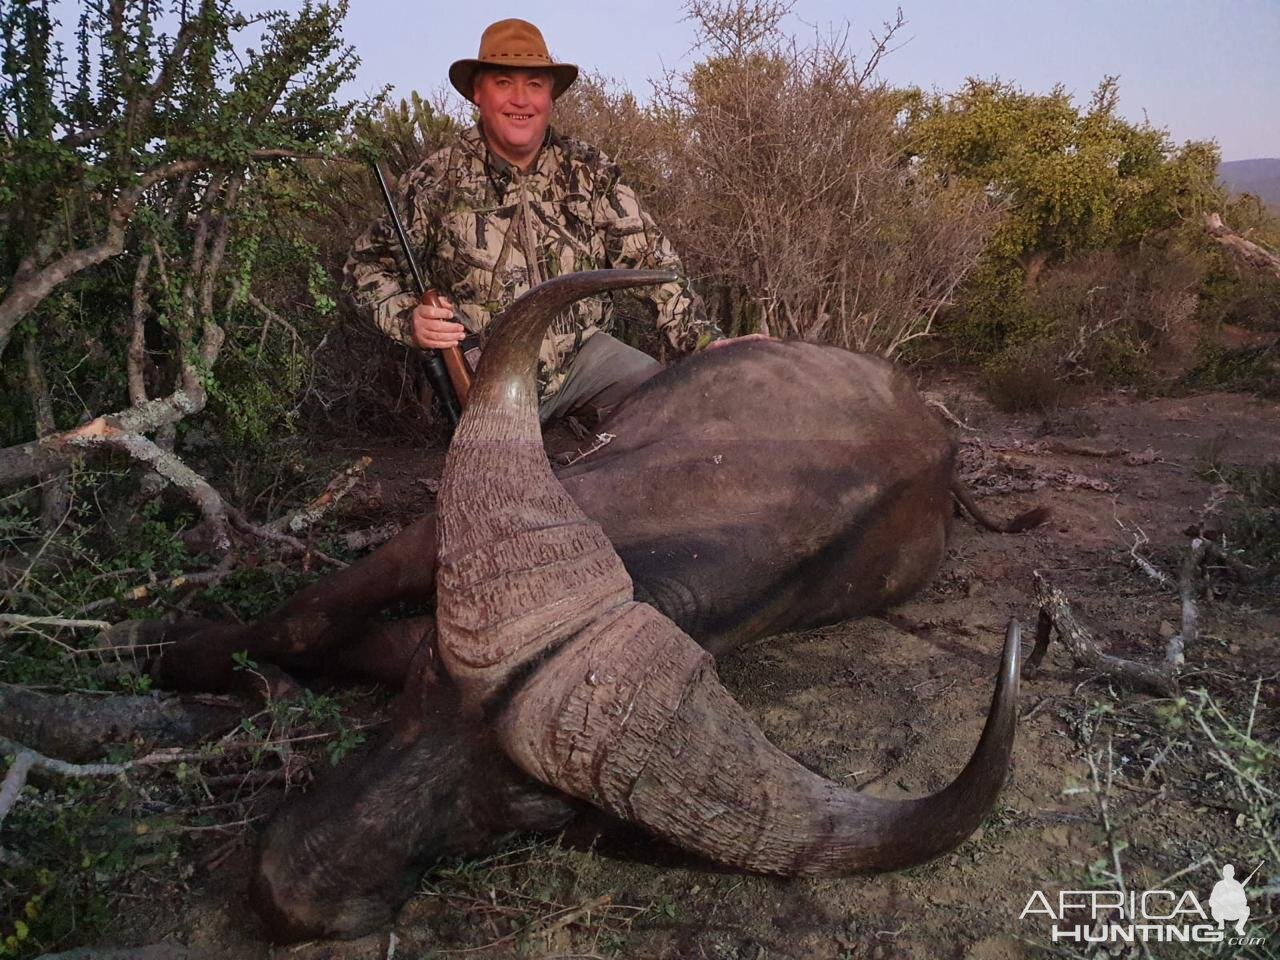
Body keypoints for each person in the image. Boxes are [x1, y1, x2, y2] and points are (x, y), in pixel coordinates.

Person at [346, 18, 758, 424]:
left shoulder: (590, 171)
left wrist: (706, 344)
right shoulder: (434, 182)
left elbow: (654, 266)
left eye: (535, 84)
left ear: (551, 98)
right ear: (477, 93)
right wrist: (409, 320)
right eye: (504, 83)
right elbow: (364, 269)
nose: (520, 100)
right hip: (487, 377)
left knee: (661, 405)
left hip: (584, 358)